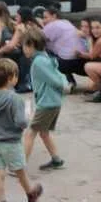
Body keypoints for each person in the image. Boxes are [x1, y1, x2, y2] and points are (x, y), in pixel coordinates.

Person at [0, 58, 43, 202]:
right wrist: (28, 115)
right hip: (11, 142)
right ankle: (30, 193)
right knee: (20, 171)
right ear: (10, 78)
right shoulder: (15, 99)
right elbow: (21, 122)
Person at [22, 30, 65, 170]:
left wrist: (64, 86)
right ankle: (56, 160)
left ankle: (20, 166)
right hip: (53, 102)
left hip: (47, 103)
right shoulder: (44, 57)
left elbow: (56, 80)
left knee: (30, 133)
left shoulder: (39, 62)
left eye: (24, 46)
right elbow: (58, 75)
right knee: (43, 132)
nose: (23, 49)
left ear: (31, 45)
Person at [40, 5, 85, 90]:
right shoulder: (66, 22)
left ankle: (65, 82)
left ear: (54, 16)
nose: (43, 20)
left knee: (41, 52)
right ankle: (69, 81)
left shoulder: (53, 25)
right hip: (80, 59)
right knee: (53, 50)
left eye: (45, 17)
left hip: (67, 62)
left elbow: (37, 37)